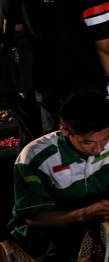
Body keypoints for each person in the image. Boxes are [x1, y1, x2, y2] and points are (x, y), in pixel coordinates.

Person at [7, 92, 109, 262]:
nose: (98, 149)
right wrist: (84, 214)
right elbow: (33, 218)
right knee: (52, 242)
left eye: (103, 140)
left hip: (94, 207)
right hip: (55, 220)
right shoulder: (35, 157)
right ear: (65, 130)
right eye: (88, 142)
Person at [18, 0, 109, 132]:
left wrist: (22, 78)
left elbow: (18, 34)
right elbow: (107, 46)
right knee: (92, 141)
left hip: (45, 82)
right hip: (85, 85)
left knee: (56, 141)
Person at [1, 0, 43, 153]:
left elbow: (11, 31)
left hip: (25, 70)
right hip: (31, 70)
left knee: (30, 127)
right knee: (34, 128)